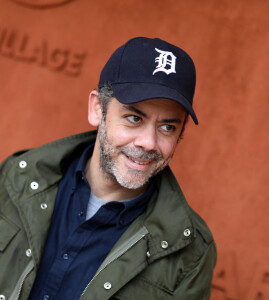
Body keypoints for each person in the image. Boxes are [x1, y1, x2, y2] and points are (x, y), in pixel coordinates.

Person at [0, 37, 216, 300]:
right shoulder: (16, 178)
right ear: (97, 109)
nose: (148, 143)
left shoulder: (191, 251)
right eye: (134, 118)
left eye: (167, 127)